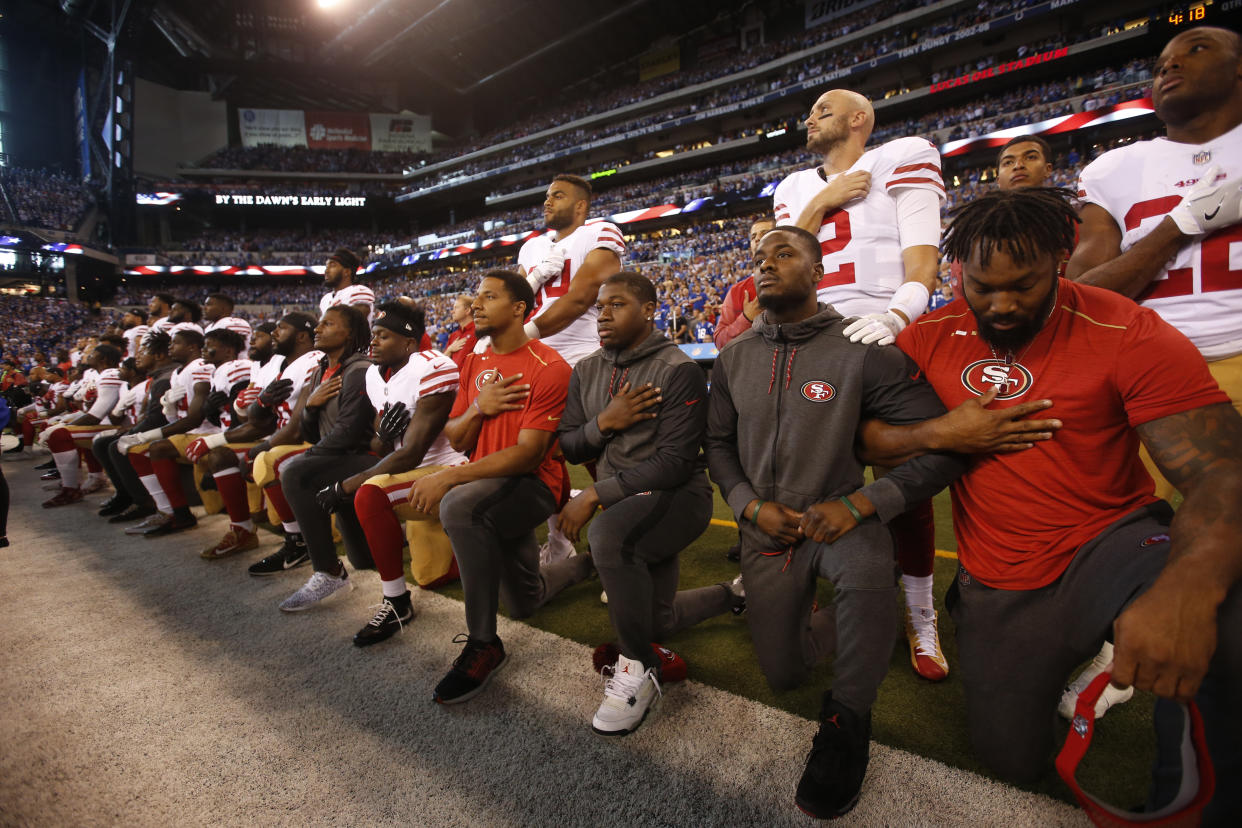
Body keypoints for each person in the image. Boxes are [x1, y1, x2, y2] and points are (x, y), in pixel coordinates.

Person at [894, 188, 1242, 821]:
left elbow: (1224, 474)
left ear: (1062, 257)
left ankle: (1189, 806)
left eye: (1023, 285)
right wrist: (940, 434)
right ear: (958, 272)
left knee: (1229, 618)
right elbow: (868, 434)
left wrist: (1185, 592)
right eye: (981, 286)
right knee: (1010, 759)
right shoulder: (931, 334)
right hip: (999, 572)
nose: (1000, 305)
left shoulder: (1126, 329)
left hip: (1109, 542)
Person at [705, 226, 968, 819]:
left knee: (870, 567)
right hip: (765, 528)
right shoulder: (734, 356)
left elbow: (944, 447)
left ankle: (849, 721)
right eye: (758, 258)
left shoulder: (863, 350)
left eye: (784, 254)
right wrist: (749, 505)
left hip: (841, 519)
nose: (766, 265)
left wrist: (862, 505)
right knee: (784, 672)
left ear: (820, 270)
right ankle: (855, 624)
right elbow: (718, 444)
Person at [773, 87, 948, 680]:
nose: (809, 118)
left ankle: (921, 614)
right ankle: (818, 592)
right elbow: (778, 258)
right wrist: (821, 201)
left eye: (822, 109)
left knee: (906, 485)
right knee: (809, 479)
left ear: (858, 119)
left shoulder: (902, 153)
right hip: (812, 338)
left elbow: (923, 259)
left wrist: (897, 316)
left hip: (884, 333)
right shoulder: (794, 188)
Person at [559, 272, 743, 736]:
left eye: (616, 304)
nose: (602, 314)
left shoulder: (676, 368)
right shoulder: (586, 370)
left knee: (608, 537)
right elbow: (571, 446)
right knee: (655, 618)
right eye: (599, 306)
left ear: (648, 309)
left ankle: (638, 668)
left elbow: (674, 464)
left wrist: (596, 494)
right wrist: (605, 421)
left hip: (676, 499)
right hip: (628, 503)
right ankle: (739, 593)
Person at [411, 270, 592, 705]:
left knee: (458, 506)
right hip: (488, 486)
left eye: (488, 297)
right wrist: (477, 407)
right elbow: (457, 437)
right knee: (525, 600)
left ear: (518, 309)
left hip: (530, 486)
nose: (476, 304)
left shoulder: (549, 367)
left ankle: (483, 643)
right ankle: (589, 565)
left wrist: (450, 474)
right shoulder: (472, 362)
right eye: (476, 297)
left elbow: (529, 455)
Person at [516, 174, 625, 564]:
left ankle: (620, 542)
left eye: (557, 196)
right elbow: (517, 301)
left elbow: (581, 297)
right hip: (539, 361)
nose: (547, 202)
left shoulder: (599, 231)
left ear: (580, 205)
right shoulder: (532, 247)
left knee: (602, 455)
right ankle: (558, 540)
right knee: (538, 455)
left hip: (585, 357)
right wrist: (529, 280)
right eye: (546, 195)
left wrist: (524, 331)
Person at [344, 302, 467, 645]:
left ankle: (396, 602)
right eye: (374, 335)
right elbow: (381, 446)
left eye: (384, 336)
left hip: (448, 466)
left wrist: (349, 483)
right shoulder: (373, 373)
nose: (374, 343)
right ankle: (468, 544)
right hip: (410, 472)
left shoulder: (433, 367)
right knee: (431, 576)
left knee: (368, 493)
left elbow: (412, 451)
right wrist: (383, 435)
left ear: (410, 343)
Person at [193, 313, 323, 568]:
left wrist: (258, 446)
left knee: (265, 459)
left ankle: (298, 542)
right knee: (223, 455)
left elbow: (295, 428)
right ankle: (242, 530)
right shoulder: (285, 364)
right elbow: (261, 418)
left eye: (280, 329)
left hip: (307, 440)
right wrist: (258, 403)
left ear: (302, 336)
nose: (274, 334)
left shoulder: (313, 361)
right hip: (283, 436)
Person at [272, 304, 377, 612]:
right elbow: (308, 431)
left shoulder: (359, 370)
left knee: (294, 471)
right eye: (320, 324)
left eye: (328, 324)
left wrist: (308, 457)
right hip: (338, 459)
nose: (318, 329)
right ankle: (333, 564)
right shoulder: (321, 371)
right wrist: (311, 407)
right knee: (365, 560)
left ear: (350, 333)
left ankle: (329, 571)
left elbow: (348, 434)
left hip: (366, 459)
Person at [39, 343, 126, 507]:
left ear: (104, 359)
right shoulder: (100, 375)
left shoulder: (111, 375)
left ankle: (71, 488)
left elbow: (95, 415)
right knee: (63, 427)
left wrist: (60, 427)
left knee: (60, 434)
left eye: (93, 353)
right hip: (105, 423)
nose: (88, 356)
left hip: (117, 426)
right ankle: (79, 479)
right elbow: (90, 411)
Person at [713, 217, 774, 350]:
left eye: (764, 233)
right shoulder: (738, 291)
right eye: (753, 237)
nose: (757, 239)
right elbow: (720, 341)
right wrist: (746, 318)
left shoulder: (796, 281)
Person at [319, 247, 375, 325]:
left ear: (347, 272)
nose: (326, 271)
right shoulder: (325, 299)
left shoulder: (359, 291)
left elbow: (351, 327)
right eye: (326, 266)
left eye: (332, 266)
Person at [442, 294, 477, 366]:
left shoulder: (478, 332)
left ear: (467, 311)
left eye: (456, 308)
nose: (452, 311)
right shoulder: (453, 335)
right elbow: (442, 363)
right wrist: (449, 349)